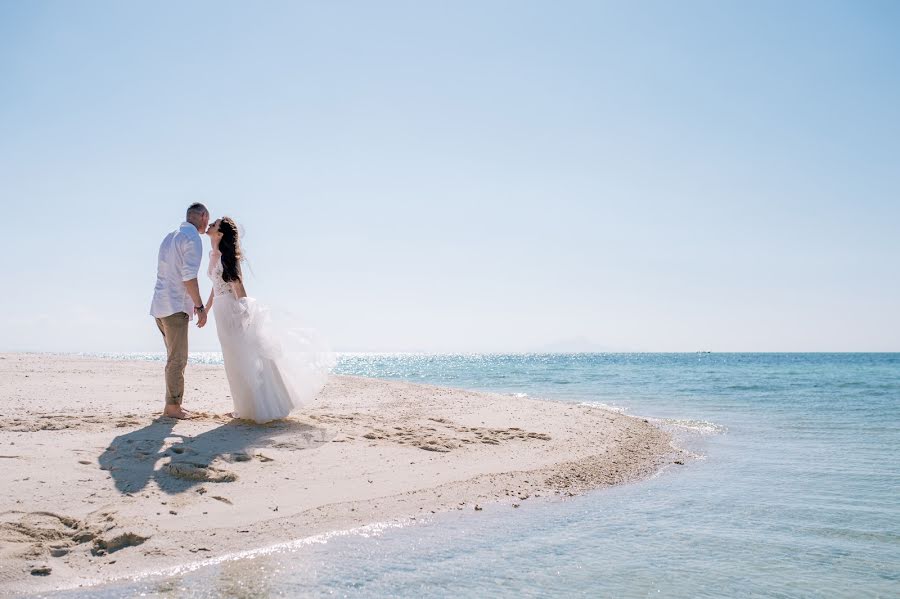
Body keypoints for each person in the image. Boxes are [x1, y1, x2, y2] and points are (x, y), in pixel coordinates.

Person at [204, 216, 333, 422]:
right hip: (219, 310)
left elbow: (237, 285)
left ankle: (257, 406)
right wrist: (205, 308)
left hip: (231, 309)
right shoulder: (213, 255)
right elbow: (215, 285)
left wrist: (245, 311)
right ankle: (242, 406)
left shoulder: (228, 257)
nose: (210, 225)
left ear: (220, 233)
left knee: (243, 357)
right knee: (232, 359)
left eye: (214, 224)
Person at [149, 203, 209, 419]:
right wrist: (200, 306)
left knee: (173, 358)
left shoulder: (170, 236)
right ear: (203, 216)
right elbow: (188, 277)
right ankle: (173, 407)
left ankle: (172, 404)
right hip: (174, 306)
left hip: (159, 305)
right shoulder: (192, 238)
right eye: (207, 219)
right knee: (178, 359)